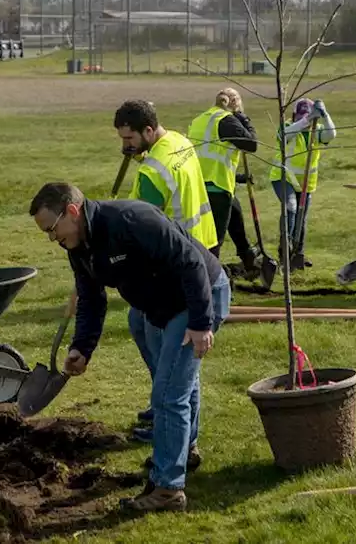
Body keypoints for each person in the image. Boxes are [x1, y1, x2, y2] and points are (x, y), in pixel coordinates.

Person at [28, 182, 231, 513]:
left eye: (52, 229)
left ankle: (168, 489)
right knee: (166, 370)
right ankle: (184, 448)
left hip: (195, 296)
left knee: (167, 394)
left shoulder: (131, 220)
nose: (52, 239)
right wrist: (83, 346)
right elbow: (91, 297)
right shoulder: (78, 245)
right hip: (156, 306)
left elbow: (191, 263)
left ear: (74, 212)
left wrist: (200, 323)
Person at [115, 99, 219, 438]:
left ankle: (170, 414)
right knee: (139, 324)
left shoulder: (151, 174)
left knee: (168, 346)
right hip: (202, 248)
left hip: (176, 270)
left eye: (129, 139)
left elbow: (136, 229)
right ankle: (165, 401)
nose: (124, 147)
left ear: (148, 131)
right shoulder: (178, 141)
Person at [186, 88, 258, 266]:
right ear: (234, 103)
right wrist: (243, 117)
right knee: (214, 240)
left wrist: (239, 177)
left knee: (235, 213)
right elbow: (251, 144)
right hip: (216, 187)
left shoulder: (200, 119)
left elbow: (209, 154)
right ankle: (211, 280)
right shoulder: (226, 120)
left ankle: (248, 257)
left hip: (199, 184)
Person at [268, 98, 336, 269]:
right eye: (301, 115)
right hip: (283, 177)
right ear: (294, 114)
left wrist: (325, 115)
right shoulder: (287, 127)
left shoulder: (317, 130)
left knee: (301, 217)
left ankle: (298, 254)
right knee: (290, 206)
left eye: (308, 115)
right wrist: (306, 120)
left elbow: (331, 135)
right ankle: (285, 250)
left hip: (305, 182)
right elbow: (282, 137)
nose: (304, 119)